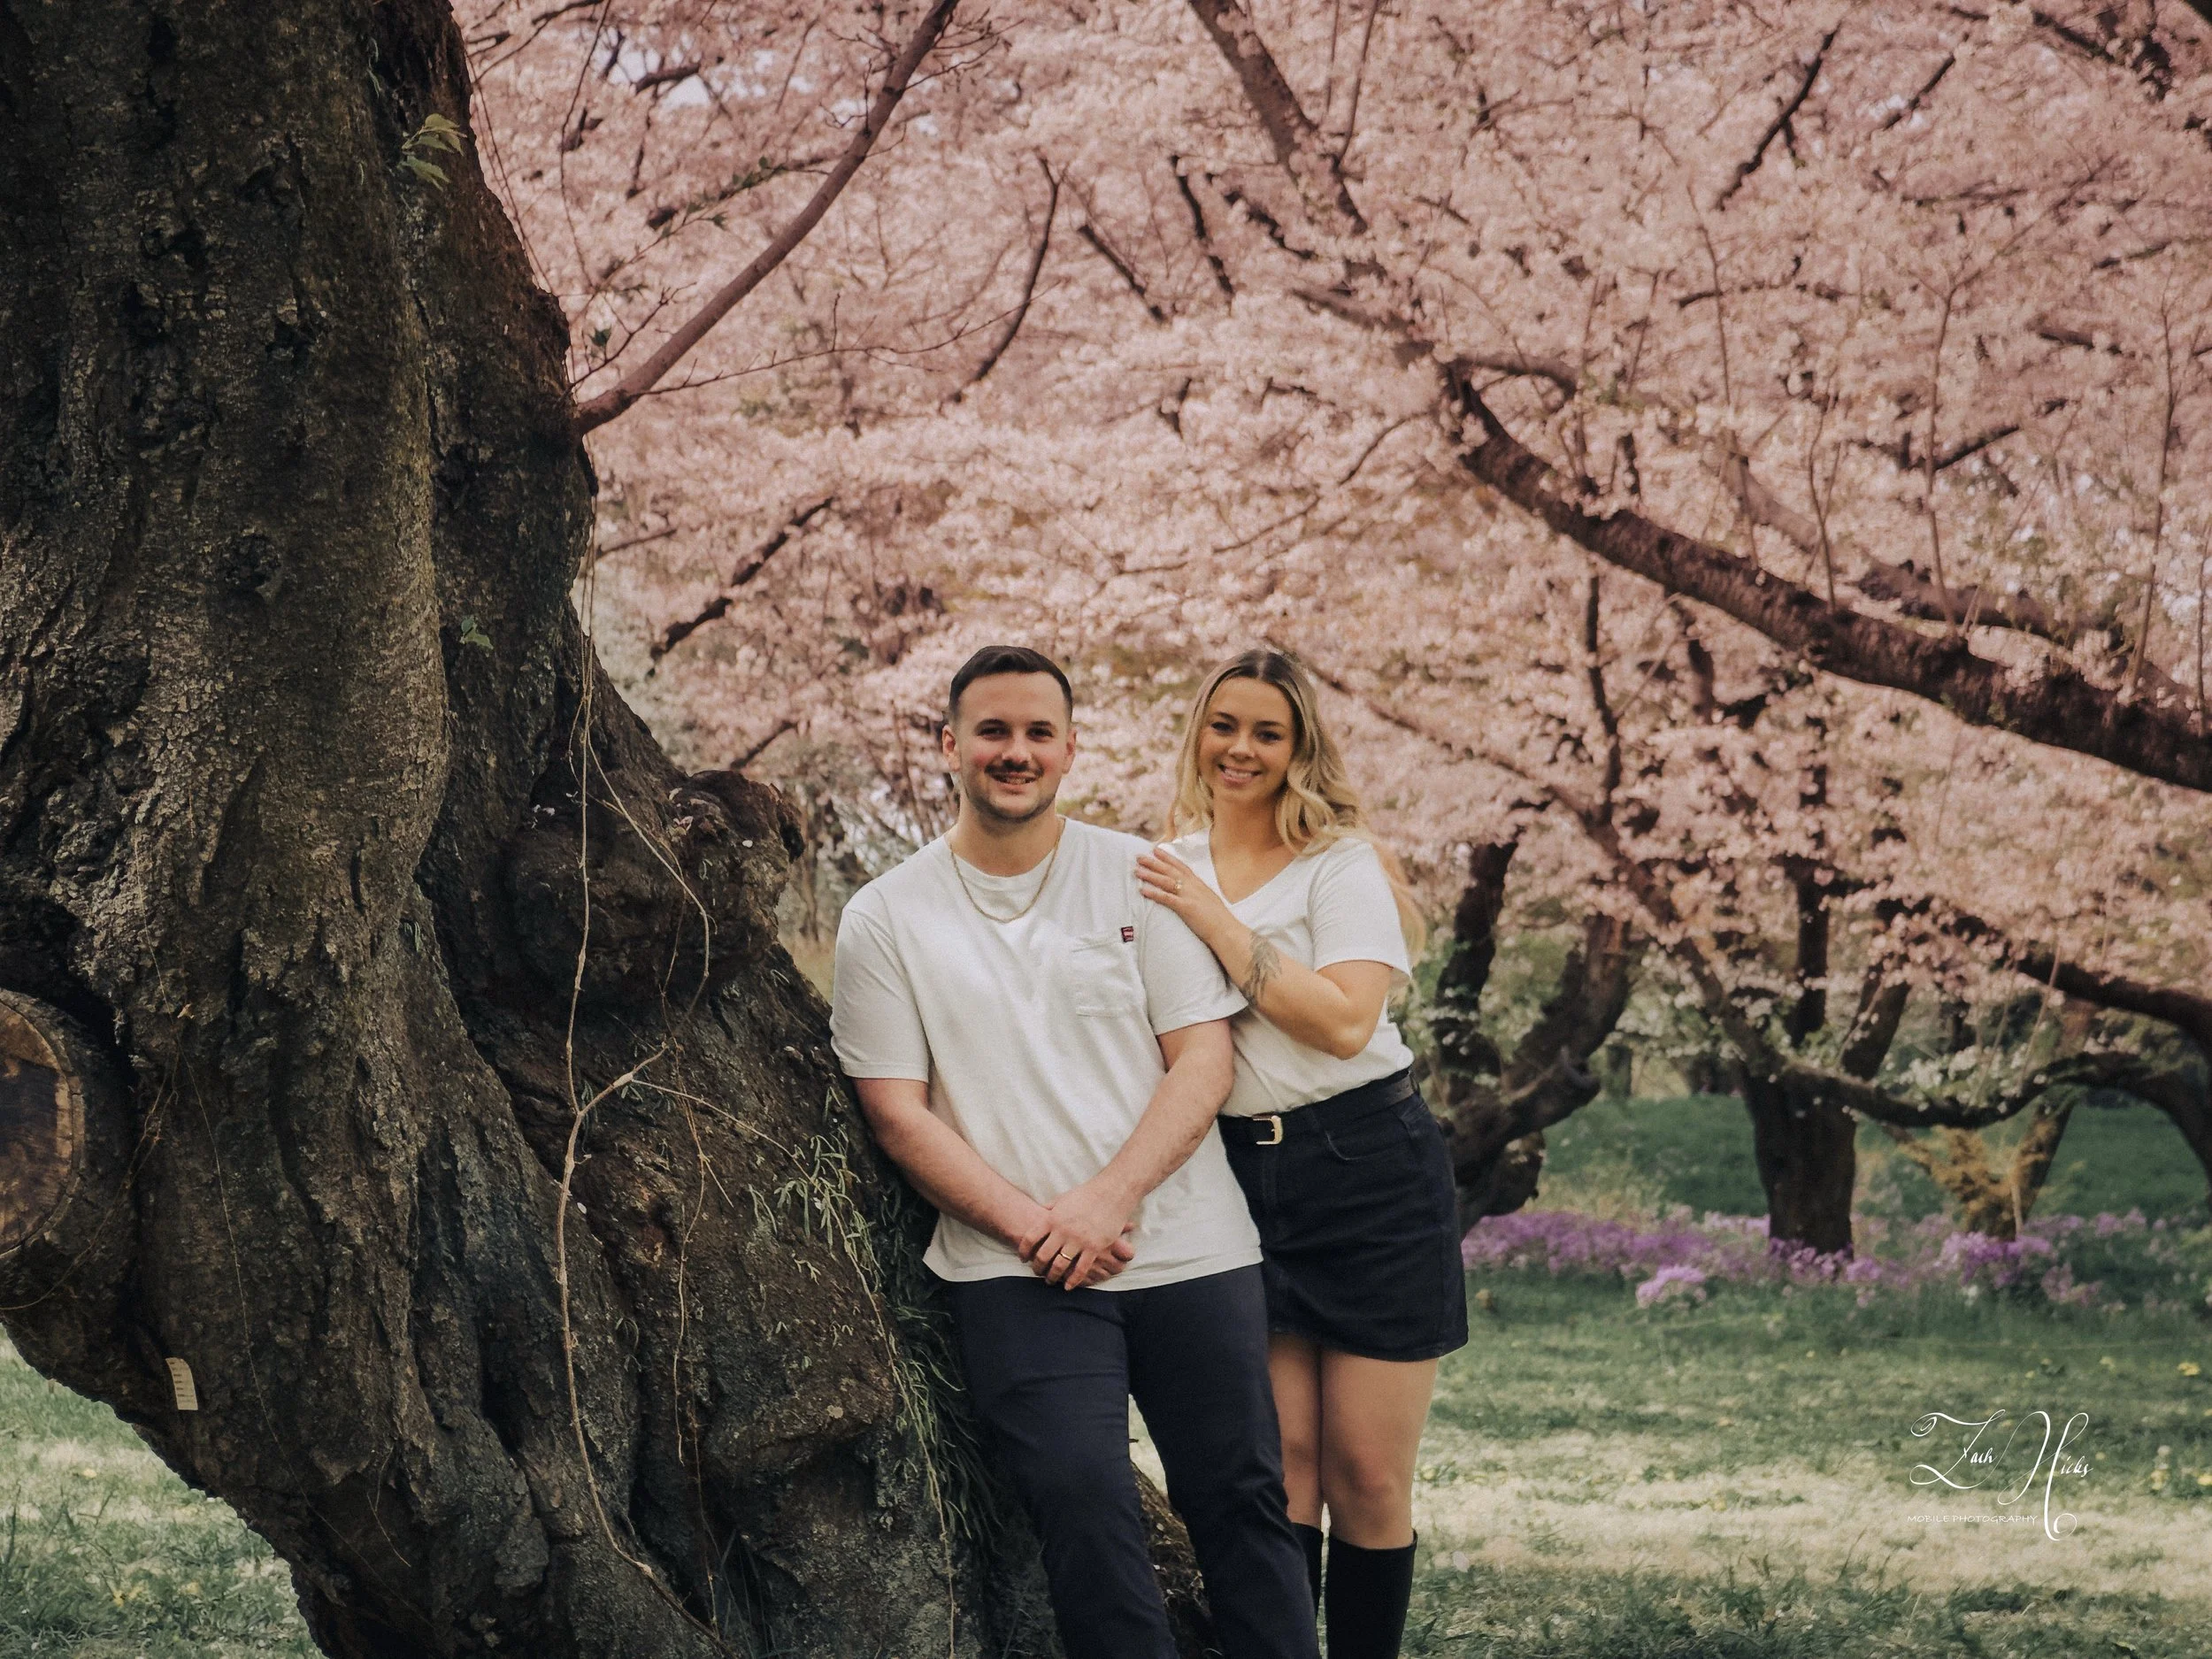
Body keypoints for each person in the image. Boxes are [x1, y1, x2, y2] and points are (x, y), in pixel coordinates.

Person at [830, 644, 1321, 1659]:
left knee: (1242, 1501)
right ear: (950, 745)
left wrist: (1106, 1201)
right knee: (1081, 1506)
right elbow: (898, 1112)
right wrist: (1035, 1226)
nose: (1016, 753)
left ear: (1069, 748)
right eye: (993, 732)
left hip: (1191, 1249)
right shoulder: (885, 915)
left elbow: (1201, 1063)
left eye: (1037, 733)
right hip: (1012, 1269)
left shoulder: (1142, 876)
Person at [1136, 649, 1466, 1659]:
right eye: (1224, 725)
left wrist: (1215, 920)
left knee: (1366, 1473)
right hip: (1232, 1175)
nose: (1241, 748)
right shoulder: (1158, 865)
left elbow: (1339, 1021)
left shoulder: (1339, 863)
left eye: (1267, 732)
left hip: (1367, 1169)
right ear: (1198, 732)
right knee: (1280, 1468)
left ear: (1298, 749)